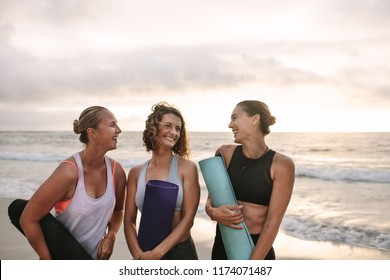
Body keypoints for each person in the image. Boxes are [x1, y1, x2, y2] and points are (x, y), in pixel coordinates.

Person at [14, 106, 126, 260]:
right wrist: (46, 259)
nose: (119, 130)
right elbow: (27, 219)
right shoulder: (69, 172)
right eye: (112, 125)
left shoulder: (116, 171)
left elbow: (118, 210)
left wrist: (111, 235)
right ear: (92, 132)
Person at [205, 100, 295, 260]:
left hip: (258, 250)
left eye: (234, 118)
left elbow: (273, 222)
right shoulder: (224, 153)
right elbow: (210, 202)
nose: (230, 124)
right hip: (223, 245)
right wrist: (213, 212)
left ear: (254, 119)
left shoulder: (281, 165)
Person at [124, 102, 200, 260]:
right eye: (168, 126)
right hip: (144, 250)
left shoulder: (187, 168)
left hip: (180, 251)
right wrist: (138, 254)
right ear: (154, 128)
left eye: (178, 129)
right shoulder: (136, 173)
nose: (174, 132)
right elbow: (129, 220)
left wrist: (157, 253)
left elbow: (188, 219)